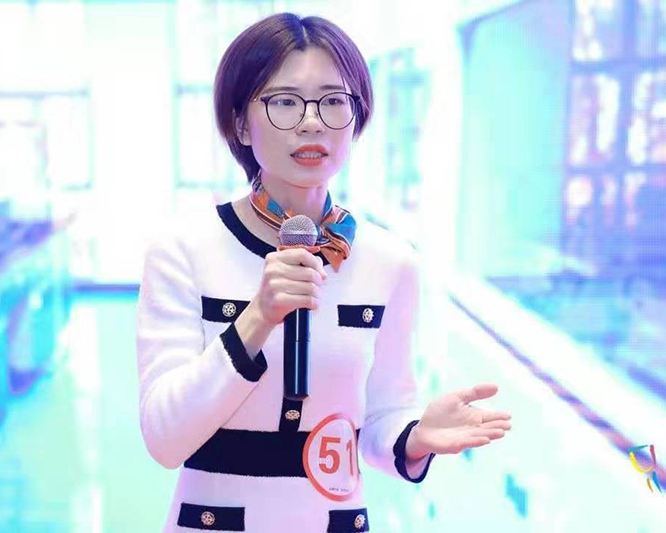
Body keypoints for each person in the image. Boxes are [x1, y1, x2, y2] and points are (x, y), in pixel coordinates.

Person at [136, 13, 512, 532]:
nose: (312, 122)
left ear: (357, 120)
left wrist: (414, 436)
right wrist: (256, 318)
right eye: (285, 102)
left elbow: (382, 417)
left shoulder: (391, 262)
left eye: (334, 101)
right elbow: (164, 438)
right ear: (240, 124)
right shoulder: (184, 249)